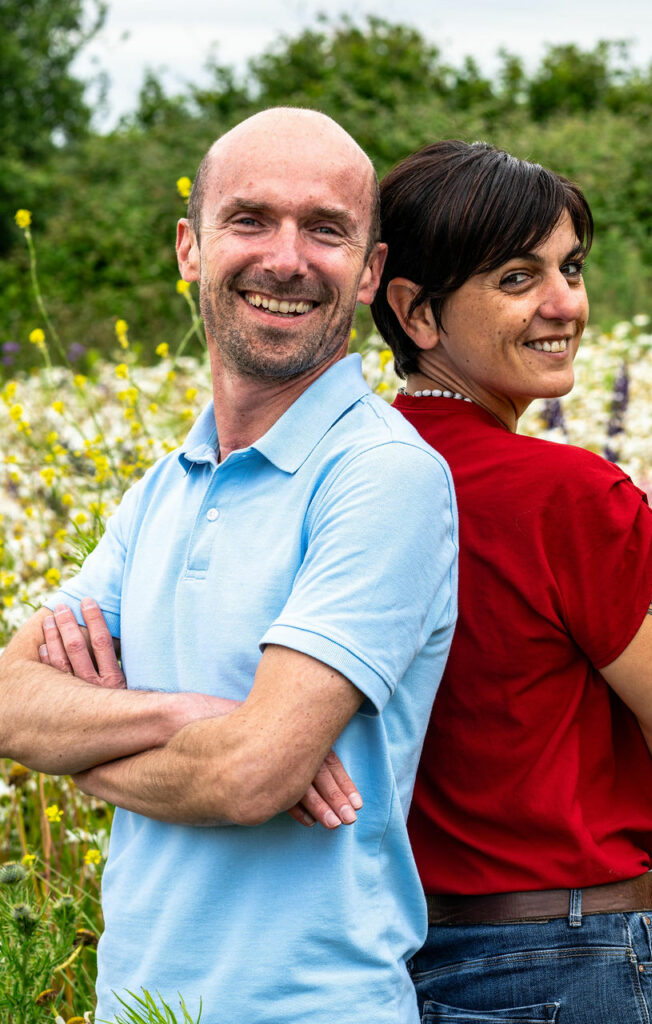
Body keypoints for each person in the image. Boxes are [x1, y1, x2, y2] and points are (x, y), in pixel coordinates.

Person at [0, 110, 458, 1024]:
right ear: (190, 248)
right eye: (249, 219)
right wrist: (189, 716)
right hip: (132, 1003)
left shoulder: (383, 477)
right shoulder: (163, 489)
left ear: (368, 272)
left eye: (325, 229)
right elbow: (9, 701)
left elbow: (249, 776)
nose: (285, 258)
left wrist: (86, 749)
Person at [366, 140, 652, 1023]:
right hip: (566, 955)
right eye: (514, 277)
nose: (562, 304)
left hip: (385, 954)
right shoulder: (565, 496)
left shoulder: (342, 477)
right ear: (416, 312)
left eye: (570, 267)